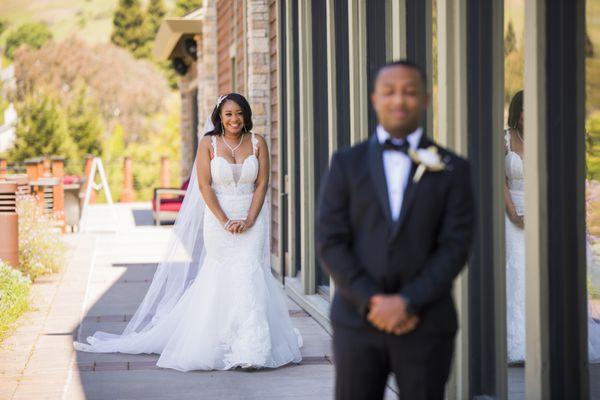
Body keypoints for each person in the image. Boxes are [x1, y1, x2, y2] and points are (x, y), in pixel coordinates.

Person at [74, 93, 303, 371]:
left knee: (250, 273)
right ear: (219, 116)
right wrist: (224, 220)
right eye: (228, 114)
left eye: (239, 113)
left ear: (246, 116)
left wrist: (249, 219)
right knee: (220, 275)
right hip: (219, 221)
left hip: (251, 220)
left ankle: (251, 347)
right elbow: (205, 186)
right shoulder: (209, 143)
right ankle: (221, 340)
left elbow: (262, 184)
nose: (234, 119)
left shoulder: (258, 143)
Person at [316, 60, 474, 400]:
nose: (399, 100)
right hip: (357, 322)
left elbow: (455, 246)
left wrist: (408, 302)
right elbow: (331, 241)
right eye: (389, 92)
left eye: (409, 92)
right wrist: (372, 301)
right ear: (375, 98)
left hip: (427, 322)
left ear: (426, 100)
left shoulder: (453, 168)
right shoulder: (346, 163)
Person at [504, 90, 600, 363]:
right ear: (517, 111)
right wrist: (514, 215)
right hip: (512, 212)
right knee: (516, 272)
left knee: (542, 275)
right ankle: (516, 343)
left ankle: (544, 340)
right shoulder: (506, 138)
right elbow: (500, 181)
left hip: (543, 212)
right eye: (525, 110)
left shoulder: (547, 140)